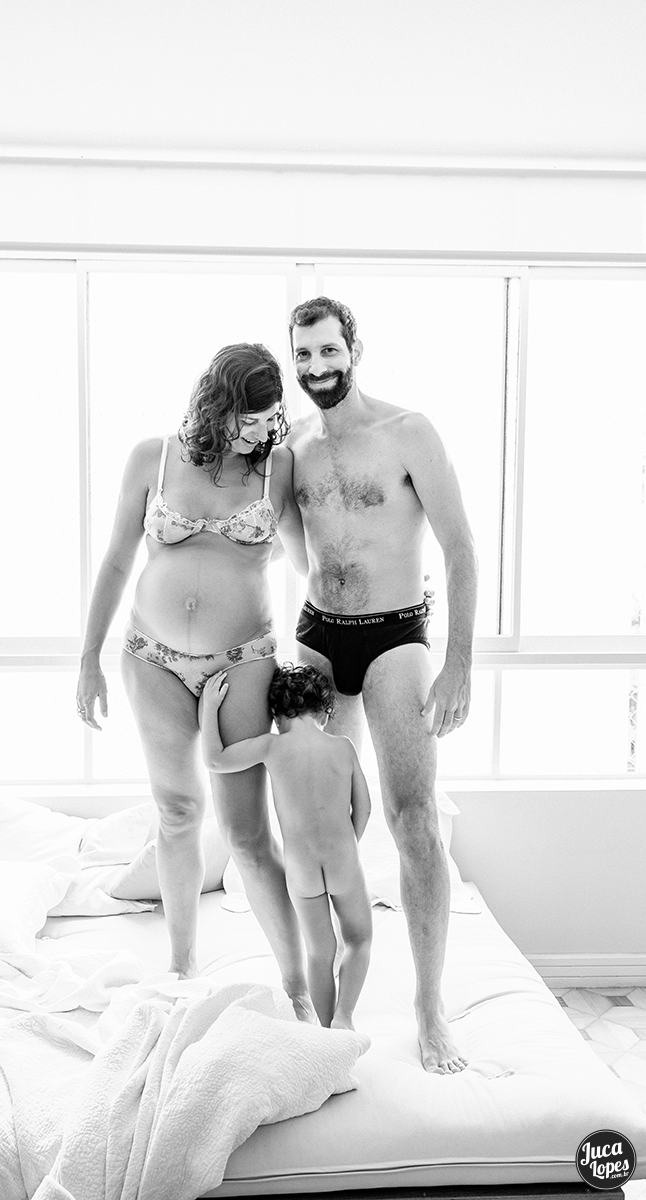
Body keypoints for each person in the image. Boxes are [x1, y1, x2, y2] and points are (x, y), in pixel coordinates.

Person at [75, 342, 316, 1021]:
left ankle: (299, 985)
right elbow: (117, 561)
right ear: (215, 404)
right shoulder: (152, 457)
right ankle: (181, 964)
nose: (260, 431)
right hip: (150, 657)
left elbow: (308, 563)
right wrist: (88, 656)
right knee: (178, 813)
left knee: (246, 835)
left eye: (270, 418)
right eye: (248, 417)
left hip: (243, 660)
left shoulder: (279, 466)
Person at [287, 296, 478, 1073]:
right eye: (304, 355)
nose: (317, 367)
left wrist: (459, 663)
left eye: (329, 350)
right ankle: (330, 997)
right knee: (320, 826)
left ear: (353, 350)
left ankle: (430, 1008)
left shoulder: (409, 432)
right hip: (317, 636)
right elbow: (268, 541)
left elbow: (461, 548)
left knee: (413, 818)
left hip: (396, 636)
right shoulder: (292, 448)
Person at [201, 662, 373, 1031]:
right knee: (359, 939)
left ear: (277, 715)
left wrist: (209, 709)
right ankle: (344, 1017)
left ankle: (325, 1030)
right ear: (325, 712)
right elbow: (364, 807)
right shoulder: (342, 747)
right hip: (342, 859)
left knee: (319, 951)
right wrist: (350, 844)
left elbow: (214, 760)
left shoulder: (272, 746)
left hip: (301, 869)